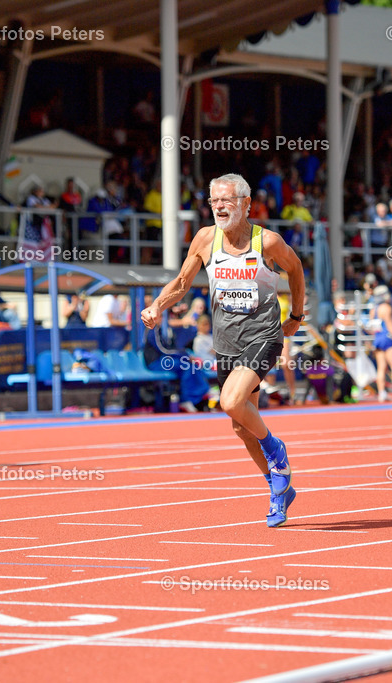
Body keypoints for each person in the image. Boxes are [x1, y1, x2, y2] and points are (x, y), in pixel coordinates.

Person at [141, 173, 306, 528]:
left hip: (263, 336)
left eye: (226, 200)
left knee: (230, 402)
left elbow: (295, 269)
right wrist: (157, 306)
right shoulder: (205, 238)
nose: (218, 206)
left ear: (246, 204)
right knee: (241, 429)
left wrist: (295, 315)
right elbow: (182, 282)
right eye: (214, 200)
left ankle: (276, 450)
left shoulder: (267, 241)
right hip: (226, 344)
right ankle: (279, 490)